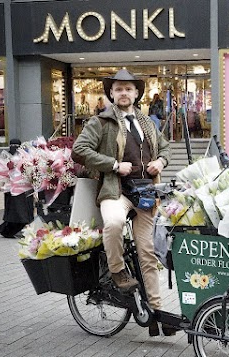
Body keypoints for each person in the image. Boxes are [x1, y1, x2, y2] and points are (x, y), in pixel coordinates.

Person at [72, 69, 174, 337]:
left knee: (148, 254)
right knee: (115, 222)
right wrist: (114, 165)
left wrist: (160, 162)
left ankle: (157, 314)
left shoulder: (148, 123)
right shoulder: (101, 122)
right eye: (119, 89)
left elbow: (165, 148)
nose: (124, 93)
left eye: (128, 89)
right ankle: (117, 272)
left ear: (137, 93)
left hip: (145, 195)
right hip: (116, 191)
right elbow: (79, 151)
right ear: (112, 94)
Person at [0, 139, 35, 238]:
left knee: (17, 210)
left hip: (18, 188)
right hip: (17, 189)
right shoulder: (9, 156)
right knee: (20, 210)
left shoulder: (23, 156)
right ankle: (14, 229)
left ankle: (15, 229)